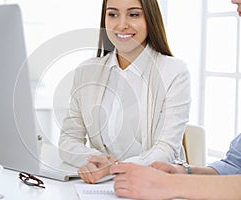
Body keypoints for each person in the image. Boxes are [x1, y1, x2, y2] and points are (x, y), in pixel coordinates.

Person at [110, 1, 241, 199]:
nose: (233, 0)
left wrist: (172, 184)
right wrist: (185, 172)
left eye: (134, 14)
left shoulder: (173, 71)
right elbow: (234, 165)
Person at [59, 0, 191, 184]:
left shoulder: (174, 71)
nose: (121, 25)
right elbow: (68, 141)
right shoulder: (86, 71)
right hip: (101, 187)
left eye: (134, 14)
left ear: (150, 18)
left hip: (153, 185)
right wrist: (96, 161)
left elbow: (166, 149)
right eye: (112, 14)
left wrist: (113, 168)